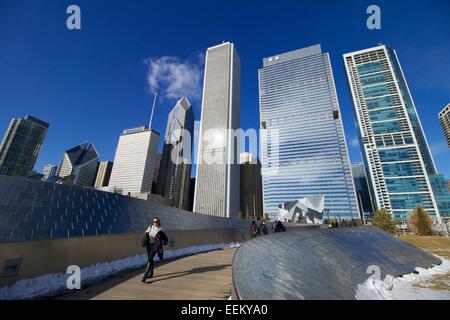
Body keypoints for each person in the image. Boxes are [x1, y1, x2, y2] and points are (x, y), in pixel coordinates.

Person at [142, 217, 168, 283]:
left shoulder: (160, 230)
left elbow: (165, 239)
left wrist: (163, 242)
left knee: (150, 259)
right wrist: (146, 235)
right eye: (154, 221)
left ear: (158, 222)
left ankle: (145, 276)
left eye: (156, 221)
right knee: (150, 259)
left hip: (155, 246)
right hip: (148, 245)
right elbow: (146, 233)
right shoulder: (150, 227)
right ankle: (151, 273)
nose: (155, 223)